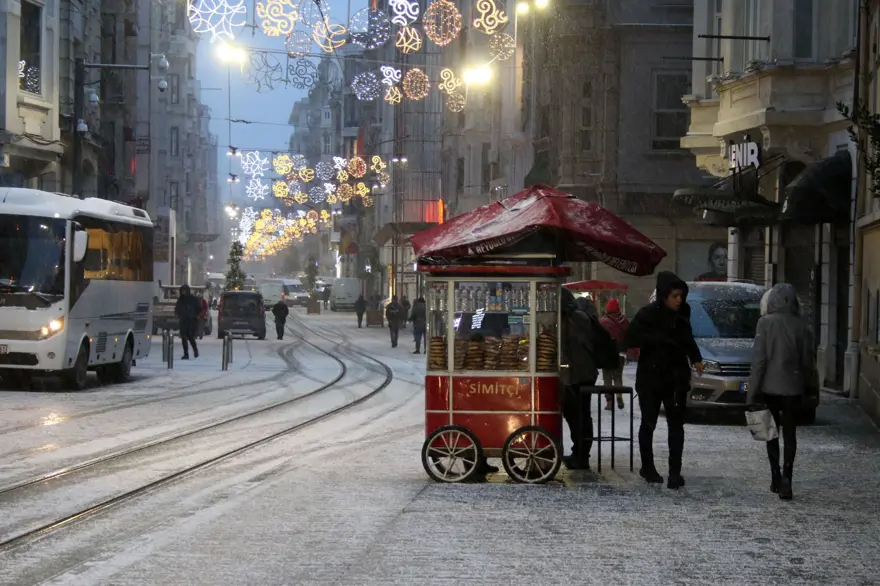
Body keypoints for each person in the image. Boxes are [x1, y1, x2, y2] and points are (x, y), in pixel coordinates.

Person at [623, 271, 703, 489]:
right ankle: (648, 467)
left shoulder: (683, 313)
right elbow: (629, 338)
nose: (679, 300)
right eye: (675, 296)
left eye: (681, 296)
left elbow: (687, 338)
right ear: (664, 295)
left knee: (676, 425)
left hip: (675, 378)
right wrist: (658, 340)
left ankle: (674, 473)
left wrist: (696, 358)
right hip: (651, 377)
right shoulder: (648, 314)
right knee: (649, 422)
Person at [747, 283, 814, 501]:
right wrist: (809, 386)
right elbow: (807, 361)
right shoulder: (801, 325)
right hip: (793, 388)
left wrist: (752, 391)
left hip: (769, 388)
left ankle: (775, 476)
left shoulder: (764, 323)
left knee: (771, 433)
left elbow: (759, 360)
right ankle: (788, 477)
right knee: (791, 434)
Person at [560, 288, 599, 470]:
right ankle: (580, 452)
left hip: (578, 374)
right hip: (584, 373)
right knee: (581, 415)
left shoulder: (570, 319)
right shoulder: (579, 316)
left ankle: (581, 455)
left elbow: (569, 348)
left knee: (578, 415)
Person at [600, 298, 629, 411]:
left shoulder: (603, 322)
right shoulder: (624, 321)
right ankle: (619, 396)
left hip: (607, 355)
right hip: (620, 353)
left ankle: (609, 401)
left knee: (607, 378)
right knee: (618, 376)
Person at [174, 284, 201, 360]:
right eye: (182, 290)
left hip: (191, 320)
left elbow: (199, 308)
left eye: (184, 290)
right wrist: (177, 314)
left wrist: (195, 315)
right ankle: (186, 353)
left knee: (190, 337)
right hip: (183, 320)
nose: (183, 292)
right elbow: (178, 308)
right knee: (183, 337)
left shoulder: (193, 299)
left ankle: (195, 350)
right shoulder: (181, 299)